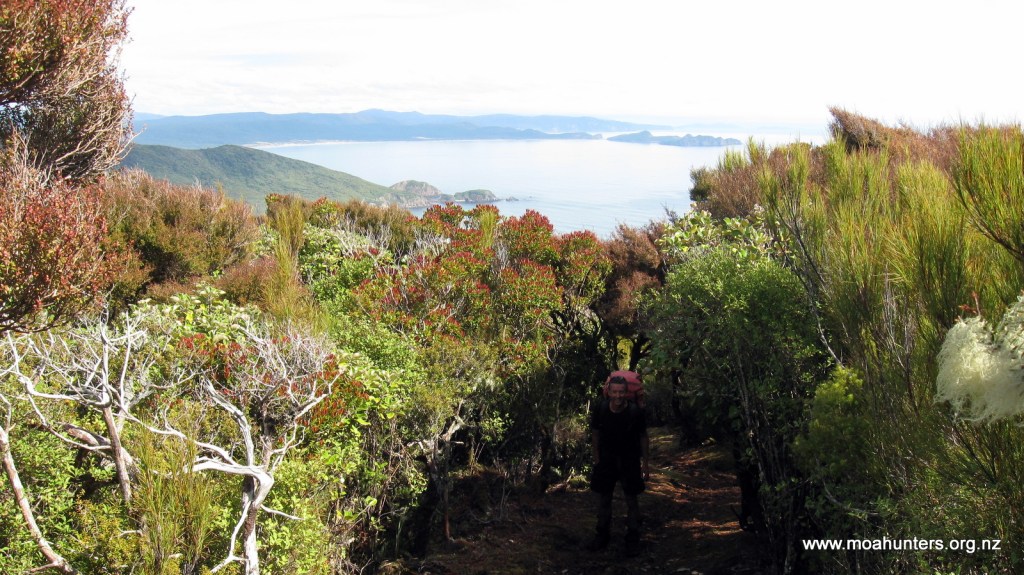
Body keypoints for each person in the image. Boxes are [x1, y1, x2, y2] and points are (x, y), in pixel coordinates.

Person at [587, 375, 650, 556]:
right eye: (614, 392)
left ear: (626, 393)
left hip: (629, 460)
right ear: (609, 392)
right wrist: (596, 457)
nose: (618, 396)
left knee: (631, 500)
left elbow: (643, 437)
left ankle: (632, 538)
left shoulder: (634, 412)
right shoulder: (601, 408)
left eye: (621, 392)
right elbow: (595, 433)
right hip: (607, 460)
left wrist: (645, 463)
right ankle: (602, 535)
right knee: (604, 498)